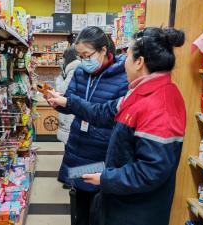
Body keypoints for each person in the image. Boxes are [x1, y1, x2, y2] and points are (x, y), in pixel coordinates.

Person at [48, 27, 186, 225]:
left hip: (137, 211)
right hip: (119, 200)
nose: (124, 62)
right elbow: (102, 112)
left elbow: (151, 170)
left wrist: (106, 178)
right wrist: (67, 102)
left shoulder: (161, 105)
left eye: (127, 55)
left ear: (139, 62)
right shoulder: (139, 92)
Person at [54, 26, 128, 225]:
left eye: (87, 55)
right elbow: (71, 102)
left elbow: (107, 113)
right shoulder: (80, 73)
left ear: (104, 49)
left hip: (102, 151)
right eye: (80, 56)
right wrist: (59, 103)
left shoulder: (123, 77)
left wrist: (70, 103)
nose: (83, 61)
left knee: (99, 207)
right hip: (78, 147)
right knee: (80, 206)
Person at [55, 47, 81, 144]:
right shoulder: (73, 68)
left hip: (70, 110)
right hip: (71, 109)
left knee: (70, 143)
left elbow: (62, 90)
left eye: (63, 57)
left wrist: (59, 79)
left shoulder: (72, 69)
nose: (62, 60)